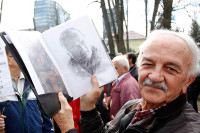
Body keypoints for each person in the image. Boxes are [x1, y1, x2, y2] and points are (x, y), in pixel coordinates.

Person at [53, 29, 200, 133]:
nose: (155, 76)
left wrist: (68, 129)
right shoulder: (132, 106)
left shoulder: (187, 129)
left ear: (189, 80)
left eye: (171, 69)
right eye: (148, 64)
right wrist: (88, 108)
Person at [0, 47, 54, 133]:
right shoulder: (2, 86)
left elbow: (46, 117)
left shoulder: (34, 84)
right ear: (7, 59)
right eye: (18, 55)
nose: (23, 58)